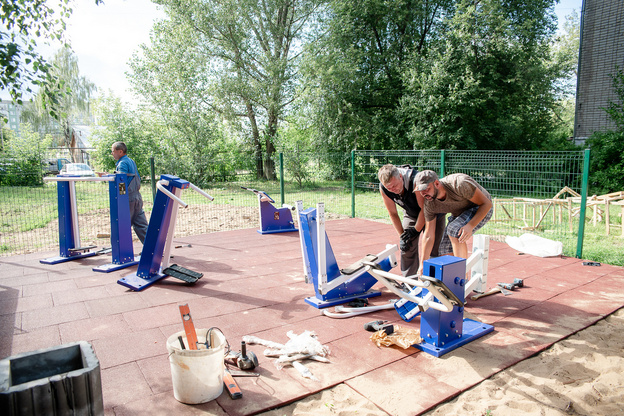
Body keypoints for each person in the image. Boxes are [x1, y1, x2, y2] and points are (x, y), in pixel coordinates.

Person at [415, 170, 493, 276]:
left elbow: (486, 204)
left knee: (454, 229)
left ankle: (461, 275)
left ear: (437, 183)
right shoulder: (430, 204)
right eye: (420, 191)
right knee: (443, 251)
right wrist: (422, 264)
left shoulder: (459, 184)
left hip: (481, 208)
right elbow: (428, 235)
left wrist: (470, 225)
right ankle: (452, 282)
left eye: (426, 189)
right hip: (460, 213)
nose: (424, 194)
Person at [378, 164, 445, 277]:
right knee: (407, 245)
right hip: (411, 213)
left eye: (394, 185)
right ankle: (409, 282)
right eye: (389, 188)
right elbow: (393, 213)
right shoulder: (384, 188)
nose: (393, 190)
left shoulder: (415, 181)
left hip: (432, 212)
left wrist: (415, 230)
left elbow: (425, 209)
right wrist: (403, 236)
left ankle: (434, 281)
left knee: (433, 248)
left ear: (400, 176)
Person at [109, 142, 149, 244]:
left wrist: (118, 193)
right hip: (137, 197)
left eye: (113, 151)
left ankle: (121, 252)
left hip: (127, 198)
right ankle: (152, 248)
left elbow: (121, 180)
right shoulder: (131, 161)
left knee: (122, 225)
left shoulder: (122, 163)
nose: (112, 153)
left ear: (120, 151)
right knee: (141, 225)